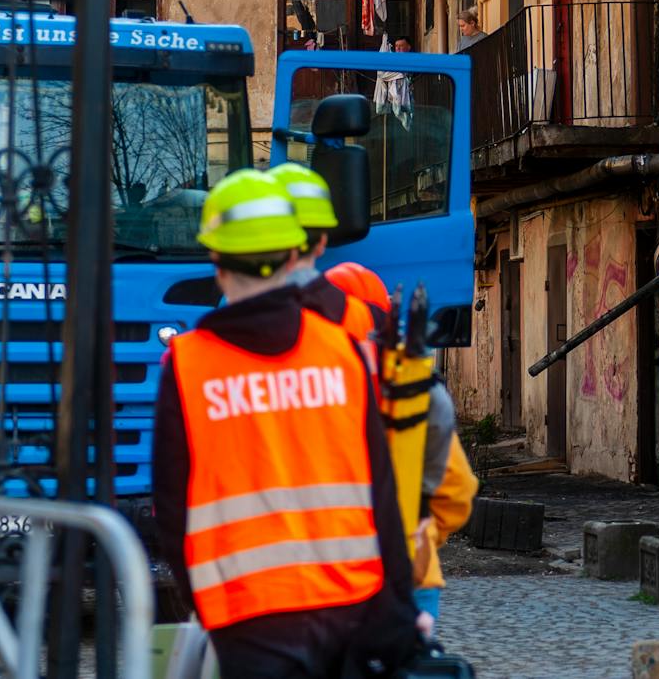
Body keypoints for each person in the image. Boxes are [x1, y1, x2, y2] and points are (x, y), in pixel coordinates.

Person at [151, 169, 418, 679]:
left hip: (246, 619)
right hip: (355, 609)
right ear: (294, 256)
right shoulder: (341, 351)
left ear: (215, 260)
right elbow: (383, 493)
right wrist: (397, 610)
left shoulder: (185, 367)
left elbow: (172, 511)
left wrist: (207, 607)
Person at [318, 262, 476, 636]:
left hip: (327, 575)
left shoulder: (309, 387)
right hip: (413, 573)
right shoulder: (415, 383)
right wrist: (420, 536)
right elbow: (457, 491)